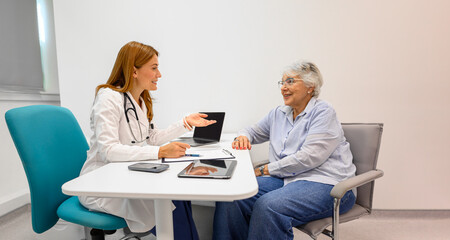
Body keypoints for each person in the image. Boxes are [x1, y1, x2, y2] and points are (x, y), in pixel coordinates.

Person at [79, 41, 215, 240]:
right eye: (154, 68)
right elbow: (109, 150)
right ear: (134, 71)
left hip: (127, 175)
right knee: (167, 203)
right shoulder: (108, 98)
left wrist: (185, 123)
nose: (159, 75)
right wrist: (160, 152)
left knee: (179, 196)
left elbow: (151, 139)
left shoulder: (140, 101)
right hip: (101, 184)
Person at [212, 61, 357, 240]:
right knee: (232, 197)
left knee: (268, 206)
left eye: (290, 82)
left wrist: (264, 170)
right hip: (288, 179)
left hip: (327, 183)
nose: (283, 88)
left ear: (310, 87)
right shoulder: (279, 113)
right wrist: (243, 137)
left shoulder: (323, 112)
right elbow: (251, 131)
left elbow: (308, 158)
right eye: (282, 83)